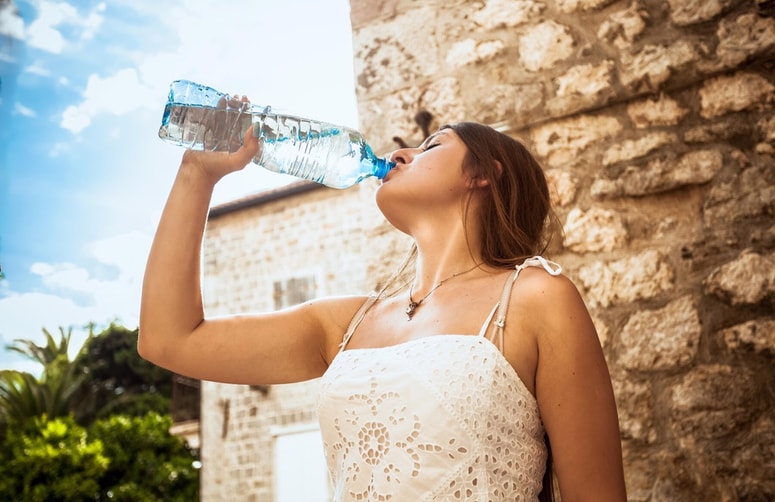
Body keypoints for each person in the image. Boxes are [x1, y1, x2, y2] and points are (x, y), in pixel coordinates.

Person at [139, 110, 627, 501]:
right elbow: (169, 340)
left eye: (431, 146)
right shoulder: (345, 325)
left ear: (483, 174)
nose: (399, 154)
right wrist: (197, 174)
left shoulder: (537, 296)